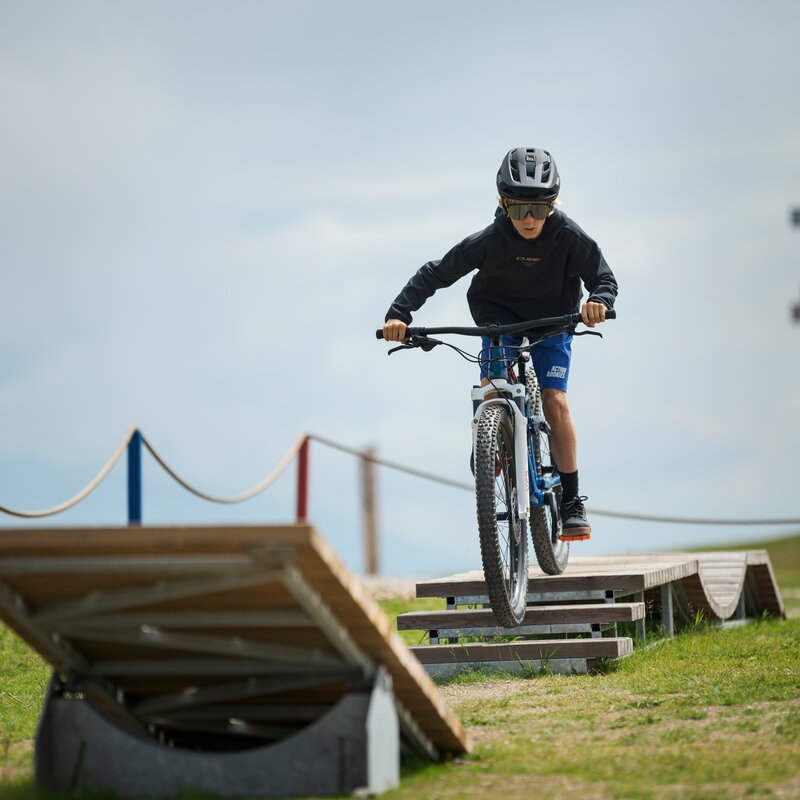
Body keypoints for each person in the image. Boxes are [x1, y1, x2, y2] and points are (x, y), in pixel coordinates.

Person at [382, 147, 618, 540]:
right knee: (493, 388)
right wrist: (398, 314)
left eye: (540, 210)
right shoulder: (489, 240)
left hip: (553, 317)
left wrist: (598, 302)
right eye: (519, 210)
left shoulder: (569, 236)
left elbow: (604, 279)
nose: (529, 219)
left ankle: (573, 500)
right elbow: (437, 273)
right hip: (498, 316)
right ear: (502, 204)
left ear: (553, 206)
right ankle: (489, 435)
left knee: (556, 401)